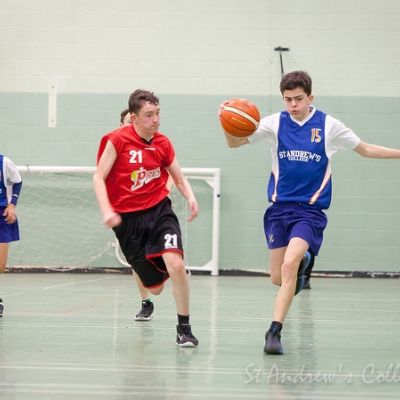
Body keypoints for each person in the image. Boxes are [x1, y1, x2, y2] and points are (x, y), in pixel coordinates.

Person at [222, 70, 400, 355]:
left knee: (289, 265)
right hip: (279, 210)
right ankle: (304, 262)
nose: (293, 104)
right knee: (278, 277)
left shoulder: (329, 126)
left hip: (310, 212)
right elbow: (234, 143)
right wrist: (226, 121)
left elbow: (365, 149)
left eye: (298, 98)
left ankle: (274, 332)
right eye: (288, 99)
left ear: (310, 97)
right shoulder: (274, 123)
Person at [94, 90, 199, 347]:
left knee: (177, 265)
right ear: (134, 118)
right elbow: (98, 177)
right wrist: (107, 210)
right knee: (156, 288)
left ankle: (184, 329)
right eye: (149, 115)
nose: (156, 120)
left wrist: (190, 196)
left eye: (158, 113)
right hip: (128, 221)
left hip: (159, 211)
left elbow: (178, 177)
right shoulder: (116, 140)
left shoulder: (163, 143)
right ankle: (156, 270)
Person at [118, 108, 175, 321]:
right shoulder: (116, 148)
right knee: (137, 261)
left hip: (155, 209)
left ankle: (165, 273)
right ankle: (146, 302)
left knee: (165, 255)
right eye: (127, 122)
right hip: (128, 213)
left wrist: (165, 190)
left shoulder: (155, 143)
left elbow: (172, 172)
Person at [0, 154, 23, 317]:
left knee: (0, 265)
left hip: (2, 216)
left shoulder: (4, 162)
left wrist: (12, 205)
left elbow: (17, 181)